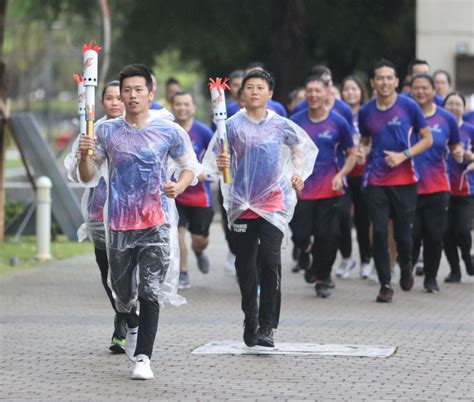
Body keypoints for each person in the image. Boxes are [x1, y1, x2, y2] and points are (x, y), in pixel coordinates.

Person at [77, 64, 201, 380]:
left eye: (138, 90)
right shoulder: (106, 131)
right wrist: (83, 156)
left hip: (156, 223)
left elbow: (190, 166)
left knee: (150, 290)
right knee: (122, 292)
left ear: (150, 93)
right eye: (126, 91)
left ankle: (144, 357)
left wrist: (180, 185)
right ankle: (130, 322)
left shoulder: (169, 130)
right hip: (118, 223)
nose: (132, 96)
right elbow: (88, 176)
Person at [204, 69, 317, 347]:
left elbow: (300, 147)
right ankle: (250, 318)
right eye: (249, 87)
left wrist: (298, 171)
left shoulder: (281, 125)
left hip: (272, 203)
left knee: (270, 262)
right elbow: (212, 161)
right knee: (246, 266)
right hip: (242, 203)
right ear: (241, 94)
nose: (254, 92)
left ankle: (267, 325)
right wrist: (220, 164)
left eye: (260, 87)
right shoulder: (229, 125)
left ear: (270, 94)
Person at [65, 80, 135, 354]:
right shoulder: (90, 133)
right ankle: (123, 318)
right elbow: (75, 173)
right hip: (99, 215)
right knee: (109, 275)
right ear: (101, 102)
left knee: (133, 276)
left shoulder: (139, 129)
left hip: (133, 215)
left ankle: (131, 319)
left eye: (121, 97)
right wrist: (85, 153)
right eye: (110, 98)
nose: (116, 102)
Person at [358, 59, 433, 303]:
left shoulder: (409, 106)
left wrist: (404, 155)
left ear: (397, 81)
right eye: (380, 78)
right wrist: (361, 151)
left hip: (405, 179)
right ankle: (385, 283)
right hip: (376, 180)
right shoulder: (366, 111)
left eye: (389, 78)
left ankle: (407, 264)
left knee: (403, 233)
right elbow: (366, 141)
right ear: (373, 82)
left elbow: (427, 139)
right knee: (379, 232)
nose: (385, 82)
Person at [291, 75, 356, 297]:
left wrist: (342, 174)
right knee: (300, 234)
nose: (313, 95)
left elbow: (351, 154)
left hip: (330, 187)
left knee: (326, 235)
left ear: (327, 93)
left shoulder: (339, 122)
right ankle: (305, 250)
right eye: (309, 91)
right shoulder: (296, 120)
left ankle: (323, 277)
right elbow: (286, 151)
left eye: (317, 91)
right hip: (302, 188)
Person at [410, 74, 463, 292]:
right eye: (416, 88)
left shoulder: (446, 118)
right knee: (410, 236)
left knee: (433, 235)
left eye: (425, 88)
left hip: (437, 187)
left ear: (434, 90)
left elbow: (455, 146)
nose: (420, 92)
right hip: (408, 186)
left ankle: (430, 278)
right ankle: (407, 270)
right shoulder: (405, 115)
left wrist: (458, 153)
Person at [171, 91, 214, 289]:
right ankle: (183, 272)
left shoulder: (203, 132)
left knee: (199, 239)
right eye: (178, 104)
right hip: (174, 192)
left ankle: (198, 251)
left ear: (193, 107)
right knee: (177, 232)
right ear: (173, 107)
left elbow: (217, 155)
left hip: (199, 196)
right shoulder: (168, 130)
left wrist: (206, 170)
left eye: (186, 104)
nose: (182, 108)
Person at [339, 75, 373, 279]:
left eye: (354, 89)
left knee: (363, 219)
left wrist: (365, 151)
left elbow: (373, 139)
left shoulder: (368, 113)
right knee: (342, 216)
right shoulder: (338, 114)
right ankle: (346, 257)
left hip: (364, 172)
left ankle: (366, 259)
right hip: (341, 173)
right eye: (347, 89)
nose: (351, 93)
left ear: (361, 92)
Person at [443, 92, 474, 282]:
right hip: (441, 189)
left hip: (466, 189)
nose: (454, 107)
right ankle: (454, 270)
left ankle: (467, 258)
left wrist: (470, 157)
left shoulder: (470, 130)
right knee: (445, 232)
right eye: (450, 104)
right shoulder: (437, 128)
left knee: (462, 229)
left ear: (464, 108)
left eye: (457, 104)